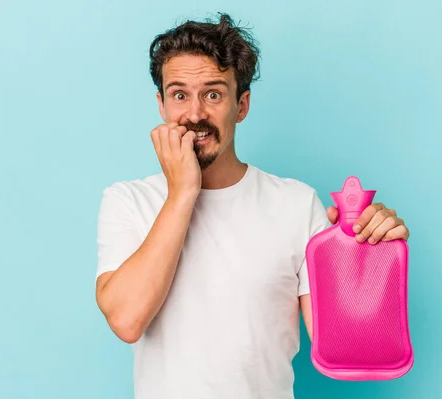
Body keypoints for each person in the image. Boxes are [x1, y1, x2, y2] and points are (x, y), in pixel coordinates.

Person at [94, 12, 410, 399]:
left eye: (213, 94)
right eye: (180, 95)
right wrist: (182, 193)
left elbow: (347, 347)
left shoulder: (295, 204)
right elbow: (126, 320)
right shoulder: (127, 201)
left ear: (241, 105)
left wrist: (373, 256)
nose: (195, 114)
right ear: (162, 105)